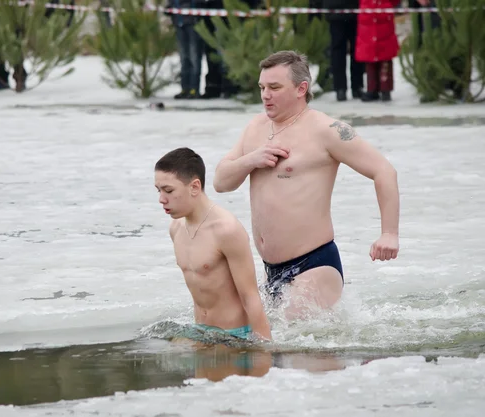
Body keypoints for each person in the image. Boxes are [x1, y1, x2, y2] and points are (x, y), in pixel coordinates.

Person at [213, 50, 400, 319]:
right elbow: (221, 182)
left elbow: (384, 171)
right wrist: (252, 159)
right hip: (271, 270)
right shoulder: (256, 127)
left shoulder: (327, 130)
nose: (265, 95)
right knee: (268, 345)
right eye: (262, 87)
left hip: (314, 264)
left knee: (297, 347)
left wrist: (389, 233)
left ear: (301, 88)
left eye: (275, 87)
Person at [154, 147, 272, 341]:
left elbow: (250, 297)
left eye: (168, 190)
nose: (161, 199)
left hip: (234, 336)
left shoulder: (226, 230)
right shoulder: (175, 228)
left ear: (194, 187)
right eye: (158, 190)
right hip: (201, 332)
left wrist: (264, 353)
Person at [355, 0, 401, 102]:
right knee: (369, 58)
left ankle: (386, 89)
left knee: (385, 58)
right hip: (367, 21)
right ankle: (372, 89)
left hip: (384, 21)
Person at [322, 0, 365, 101]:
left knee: (352, 50)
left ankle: (350, 87)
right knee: (341, 51)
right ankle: (346, 88)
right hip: (340, 11)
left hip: (349, 11)